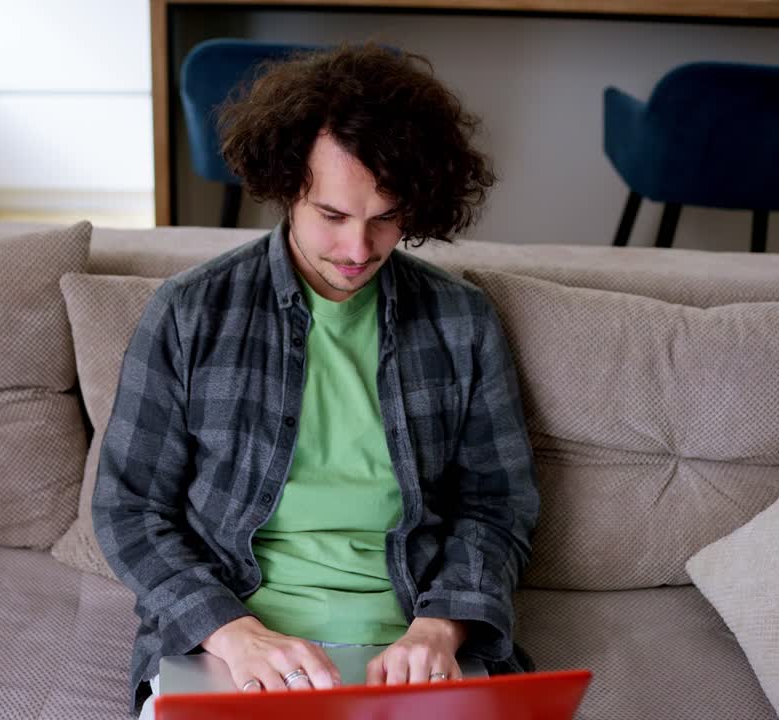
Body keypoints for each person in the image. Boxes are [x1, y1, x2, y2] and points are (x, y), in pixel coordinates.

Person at [92, 42, 540, 720]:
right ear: (285, 188)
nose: (359, 251)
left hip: (410, 645)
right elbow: (128, 509)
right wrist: (231, 634)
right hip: (236, 649)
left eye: (385, 218)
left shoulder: (462, 322)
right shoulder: (190, 314)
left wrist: (442, 627)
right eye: (332, 216)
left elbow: (498, 506)